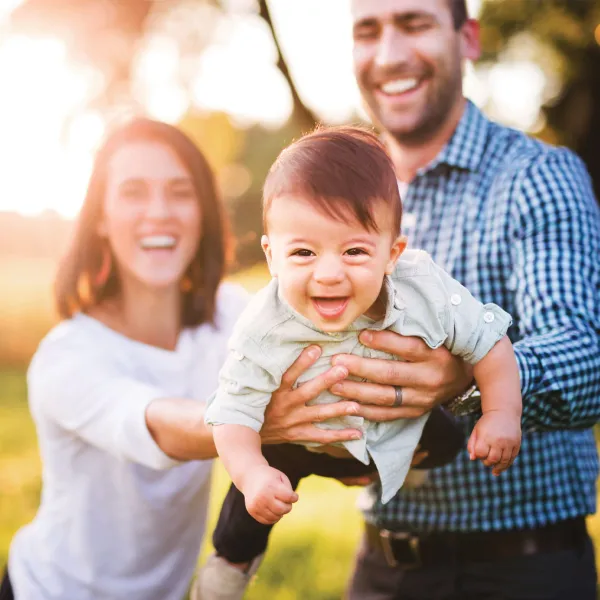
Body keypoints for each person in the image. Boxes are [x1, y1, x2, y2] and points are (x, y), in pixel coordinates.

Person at [1, 118, 380, 600]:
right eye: (134, 192)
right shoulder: (67, 355)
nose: (159, 212)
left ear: (202, 210)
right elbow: (157, 425)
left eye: (180, 192)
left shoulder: (233, 317)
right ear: (100, 216)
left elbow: (321, 353)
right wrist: (258, 421)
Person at [193, 126, 522, 600]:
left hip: (398, 420)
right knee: (250, 499)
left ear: (393, 254)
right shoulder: (263, 325)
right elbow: (231, 411)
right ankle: (231, 564)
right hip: (303, 439)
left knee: (449, 441)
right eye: (303, 252)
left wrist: (500, 414)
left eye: (354, 251)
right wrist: (252, 475)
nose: (329, 273)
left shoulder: (424, 289)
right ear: (271, 257)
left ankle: (402, 461)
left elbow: (489, 343)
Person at [341, 0, 600, 598]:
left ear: (469, 39)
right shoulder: (345, 200)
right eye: (367, 31)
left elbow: (585, 356)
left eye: (414, 24)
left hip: (521, 569)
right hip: (381, 568)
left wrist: (469, 380)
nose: (389, 55)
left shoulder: (535, 175)